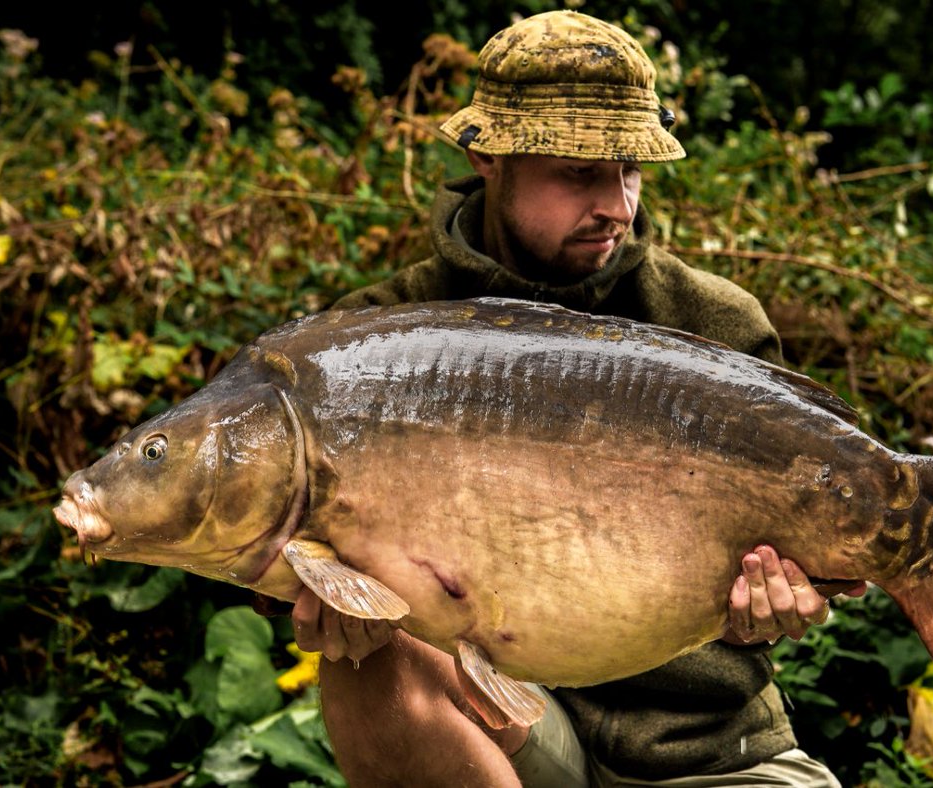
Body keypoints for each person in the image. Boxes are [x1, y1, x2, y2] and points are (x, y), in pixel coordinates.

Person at [293, 10, 865, 787]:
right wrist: (320, 598)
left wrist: (780, 602)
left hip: (706, 750)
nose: (618, 207)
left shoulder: (715, 325)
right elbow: (278, 543)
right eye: (580, 173)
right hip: (508, 729)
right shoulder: (367, 344)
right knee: (369, 665)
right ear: (488, 156)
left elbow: (801, 557)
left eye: (630, 170)